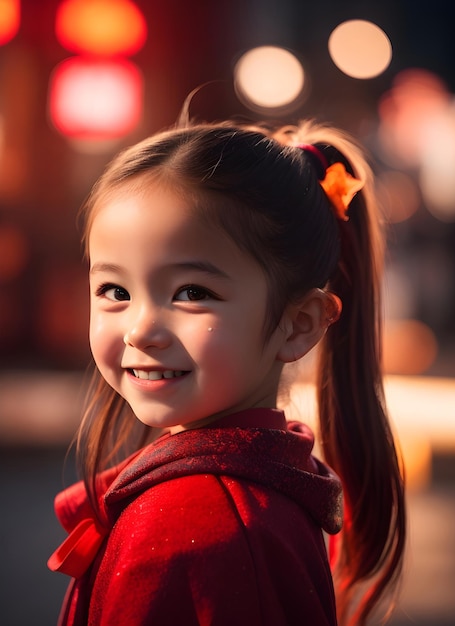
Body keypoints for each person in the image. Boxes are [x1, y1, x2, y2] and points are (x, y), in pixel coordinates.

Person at [48, 117, 406, 626]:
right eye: (115, 292)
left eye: (192, 293)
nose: (140, 330)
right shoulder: (249, 492)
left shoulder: (199, 523)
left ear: (298, 324)